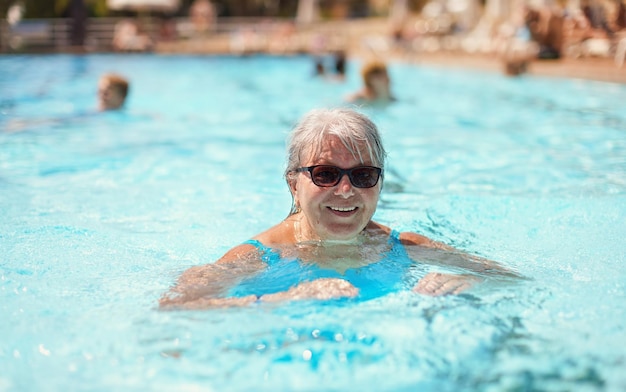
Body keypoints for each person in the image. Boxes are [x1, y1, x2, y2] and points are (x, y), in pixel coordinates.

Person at [160, 108, 519, 309]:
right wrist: (280, 298)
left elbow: (515, 281)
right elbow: (174, 308)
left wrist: (469, 282)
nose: (345, 190)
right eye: (326, 174)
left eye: (363, 175)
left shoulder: (405, 247)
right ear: (294, 184)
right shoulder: (257, 258)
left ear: (380, 182)